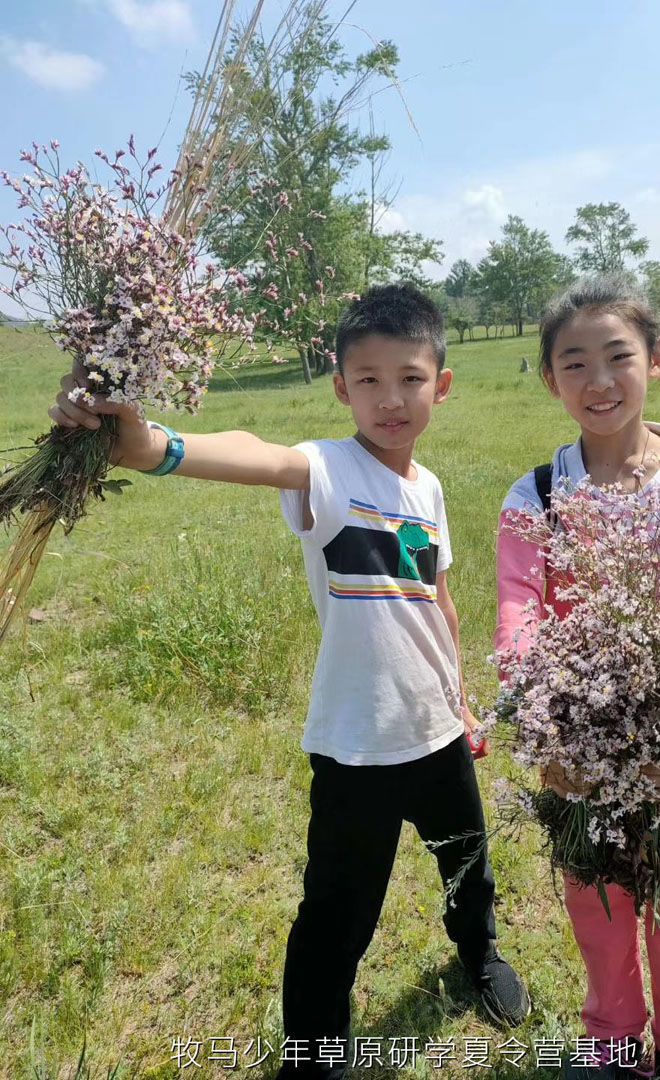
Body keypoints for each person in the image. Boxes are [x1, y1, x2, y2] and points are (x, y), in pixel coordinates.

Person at [51, 282, 529, 1079]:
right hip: (354, 748)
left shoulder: (431, 489)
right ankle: (313, 1056)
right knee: (336, 916)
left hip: (438, 730)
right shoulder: (328, 471)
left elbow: (436, 594)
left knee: (466, 861)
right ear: (341, 388)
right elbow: (258, 453)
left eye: (410, 378)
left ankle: (477, 954)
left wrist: (460, 696)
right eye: (368, 380)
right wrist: (151, 446)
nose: (391, 399)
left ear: (440, 384)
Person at [494, 274, 660, 1080]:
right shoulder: (537, 495)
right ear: (549, 379)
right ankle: (609, 1039)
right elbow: (519, 615)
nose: (599, 382)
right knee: (596, 897)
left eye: (618, 357)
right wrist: (549, 733)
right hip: (581, 742)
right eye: (575, 363)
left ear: (656, 359)